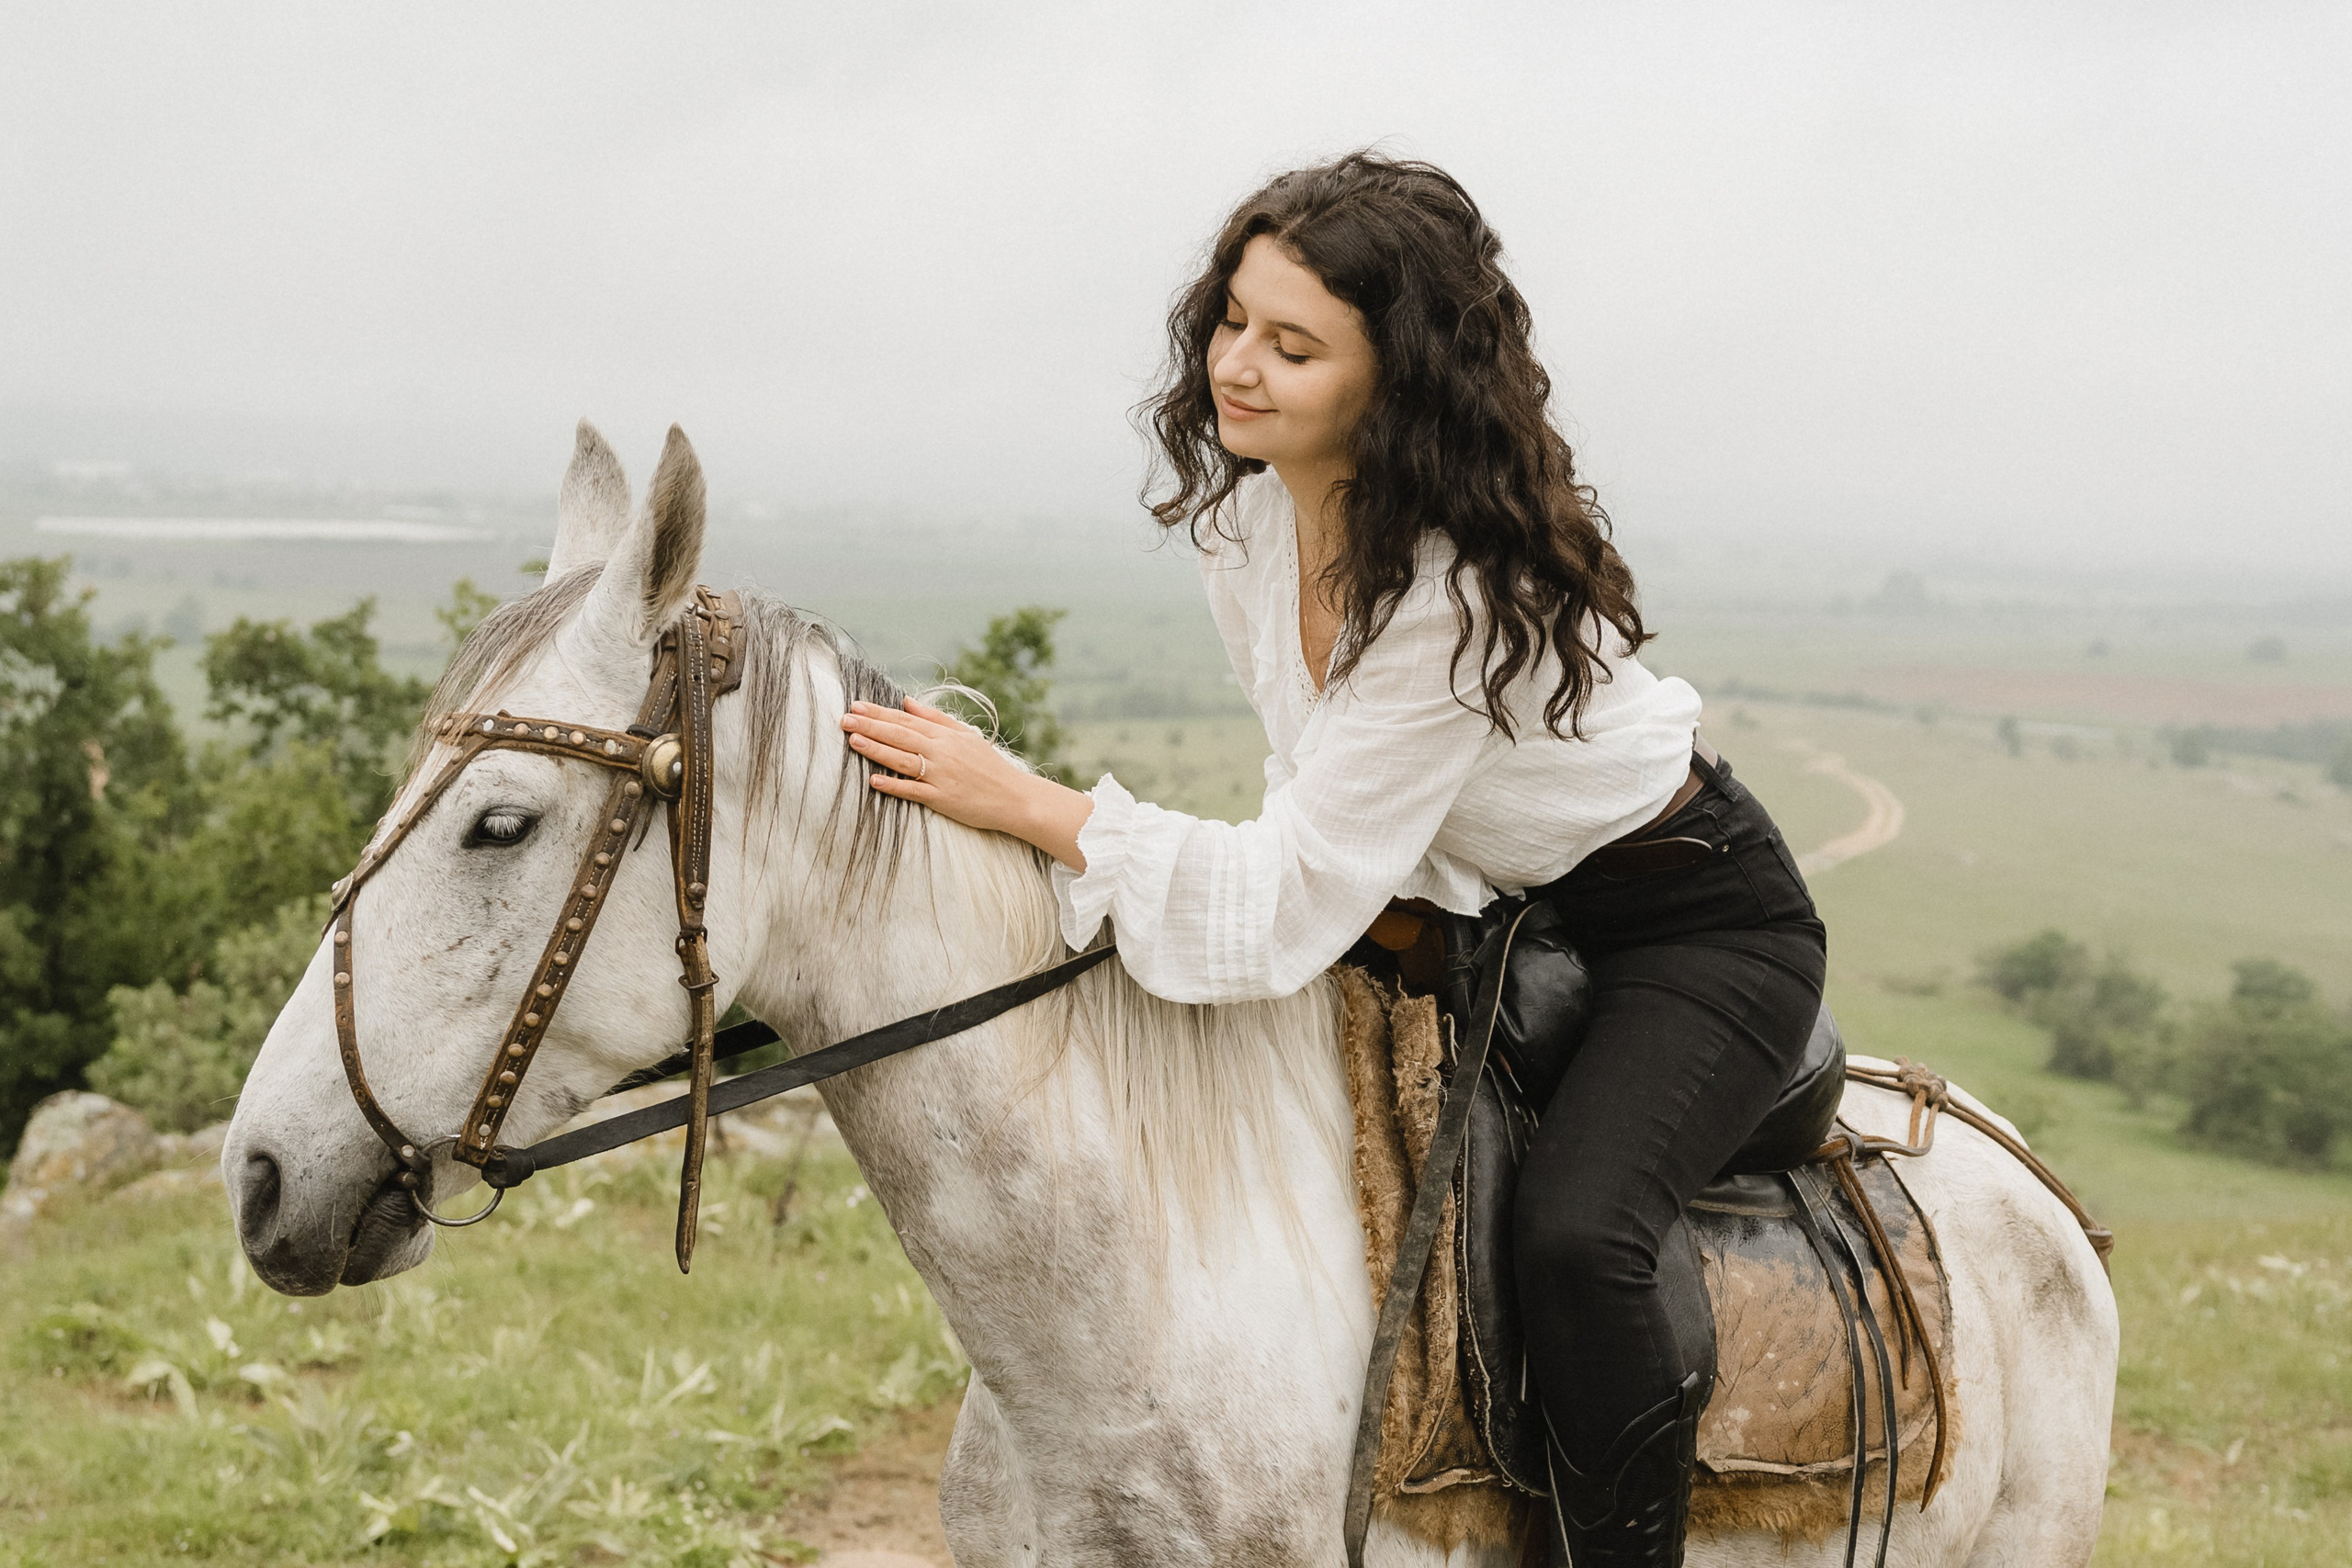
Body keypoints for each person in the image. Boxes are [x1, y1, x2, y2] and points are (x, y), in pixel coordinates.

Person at [836, 152, 1826, 1568]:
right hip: (1469, 914)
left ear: (1398, 380)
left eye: (1293, 347)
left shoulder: (1453, 596)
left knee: (1575, 1238)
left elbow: (1289, 891)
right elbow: (1314, 788)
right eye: (1232, 319)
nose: (1236, 367)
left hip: (1687, 926)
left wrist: (1029, 802)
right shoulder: (1251, 515)